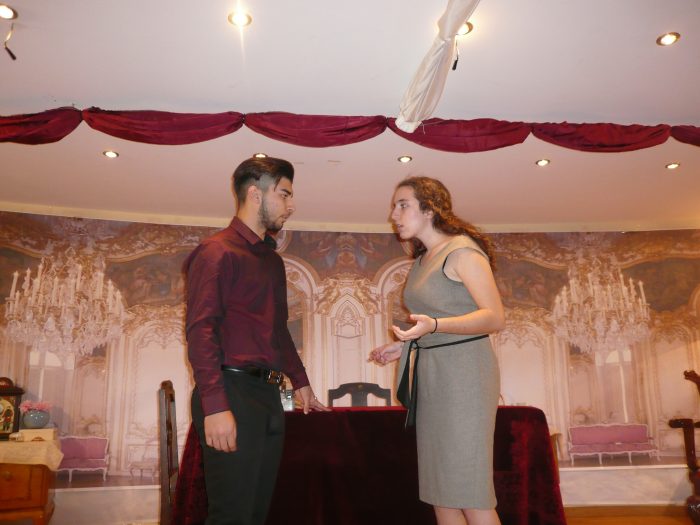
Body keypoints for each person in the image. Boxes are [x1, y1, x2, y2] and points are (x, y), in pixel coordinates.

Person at [184, 156, 329, 525]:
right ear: (255, 193)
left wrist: (301, 382)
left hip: (267, 395)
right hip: (230, 392)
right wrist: (215, 406)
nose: (291, 205)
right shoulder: (217, 251)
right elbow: (201, 330)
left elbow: (278, 329)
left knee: (256, 513)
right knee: (231, 516)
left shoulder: (271, 261)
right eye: (285, 194)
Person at [370, 176, 505, 525]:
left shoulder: (462, 252)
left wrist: (433, 326)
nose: (394, 214)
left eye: (403, 205)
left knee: (468, 489)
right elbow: (436, 319)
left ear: (429, 209)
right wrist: (403, 345)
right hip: (432, 375)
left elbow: (494, 317)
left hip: (465, 377)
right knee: (440, 491)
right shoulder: (421, 261)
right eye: (394, 206)